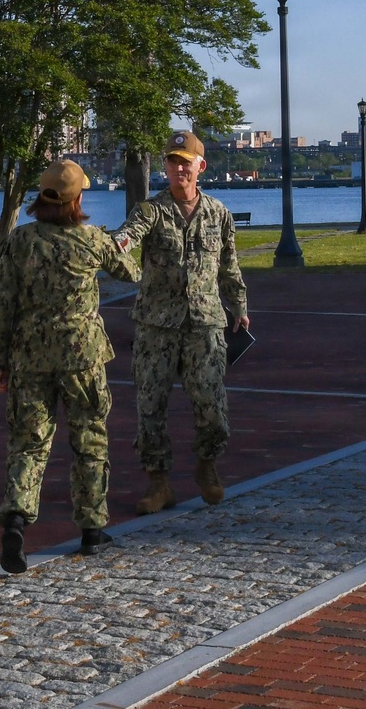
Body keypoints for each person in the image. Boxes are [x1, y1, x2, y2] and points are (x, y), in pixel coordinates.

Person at [0, 159, 141, 574]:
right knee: (90, 440)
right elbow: (132, 272)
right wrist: (121, 245)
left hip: (30, 358)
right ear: (78, 198)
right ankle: (91, 529)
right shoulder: (91, 239)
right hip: (83, 359)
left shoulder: (20, 241)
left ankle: (16, 520)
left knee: (29, 443)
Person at [112, 130, 249, 515]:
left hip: (205, 324)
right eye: (172, 162)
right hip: (157, 325)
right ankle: (159, 483)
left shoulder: (218, 213)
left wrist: (238, 305)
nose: (178, 169)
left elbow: (229, 265)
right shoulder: (150, 211)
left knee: (211, 403)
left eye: (185, 163)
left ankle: (207, 467)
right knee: (150, 406)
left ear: (200, 167)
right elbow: (129, 235)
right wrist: (118, 244)